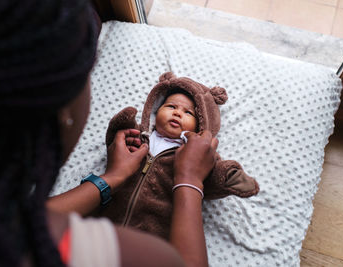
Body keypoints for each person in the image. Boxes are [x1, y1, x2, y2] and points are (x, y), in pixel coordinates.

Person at [0, 0, 216, 266]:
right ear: (62, 112)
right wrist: (190, 179)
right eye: (89, 75)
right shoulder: (80, 248)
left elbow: (42, 215)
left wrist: (112, 177)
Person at [99, 72, 260, 240]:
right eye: (171, 107)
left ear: (200, 126)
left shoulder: (196, 156)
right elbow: (115, 147)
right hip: (107, 222)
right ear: (156, 109)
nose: (177, 113)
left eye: (188, 113)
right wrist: (121, 127)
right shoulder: (140, 137)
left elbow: (211, 177)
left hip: (154, 235)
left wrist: (227, 175)